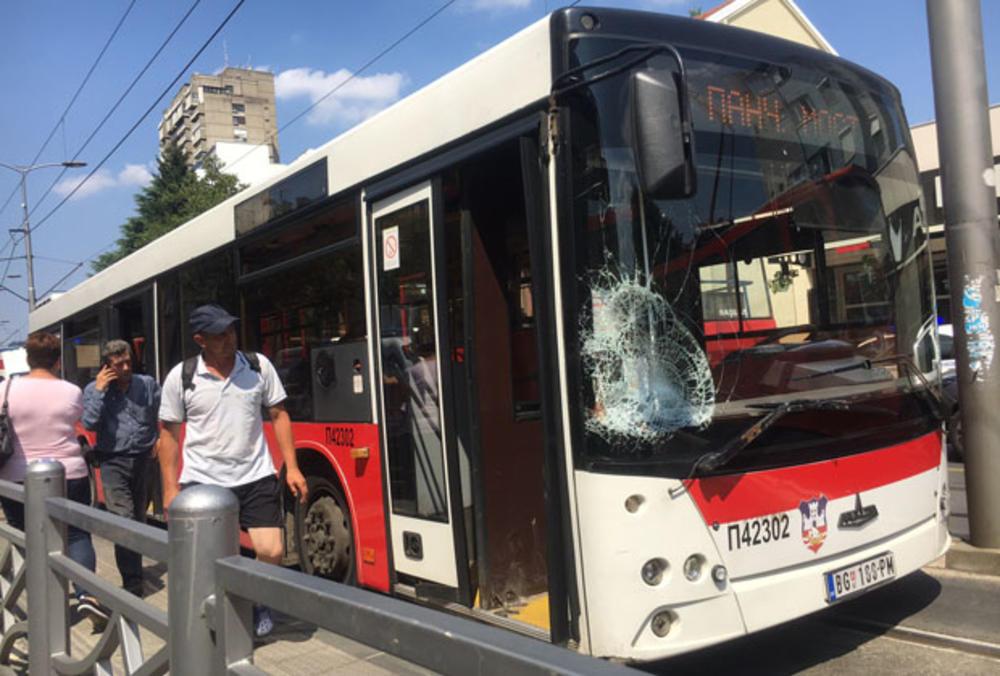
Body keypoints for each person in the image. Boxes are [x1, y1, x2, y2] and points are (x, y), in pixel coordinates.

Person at [158, 304, 308, 638]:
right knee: (212, 558)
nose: (229, 338)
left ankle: (255, 601)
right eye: (219, 334)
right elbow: (168, 435)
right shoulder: (181, 377)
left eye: (231, 330)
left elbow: (279, 414)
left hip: (255, 474)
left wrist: (293, 467)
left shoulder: (257, 366)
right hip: (203, 481)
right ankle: (216, 617)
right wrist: (170, 489)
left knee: (272, 551)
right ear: (200, 340)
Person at [0, 332, 108, 629]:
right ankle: (86, 595)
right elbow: (79, 421)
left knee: (25, 535)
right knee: (75, 536)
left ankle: (43, 600)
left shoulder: (5, 389)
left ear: (27, 358)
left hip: (16, 477)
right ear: (58, 360)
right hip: (68, 472)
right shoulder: (71, 391)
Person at [82, 339, 161, 597]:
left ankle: (135, 572)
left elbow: (164, 411)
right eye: (119, 364)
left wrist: (160, 437)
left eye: (128, 362)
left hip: (143, 459)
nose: (126, 367)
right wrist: (100, 389)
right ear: (108, 366)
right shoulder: (94, 389)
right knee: (123, 520)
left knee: (138, 518)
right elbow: (90, 423)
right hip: (112, 461)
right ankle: (132, 582)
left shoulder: (146, 384)